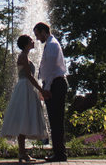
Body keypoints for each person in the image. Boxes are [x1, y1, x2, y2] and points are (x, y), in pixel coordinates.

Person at [1, 34, 48, 162]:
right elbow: (29, 75)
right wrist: (41, 90)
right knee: (23, 117)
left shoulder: (25, 56)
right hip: (24, 87)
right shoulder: (23, 56)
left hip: (26, 88)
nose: (33, 41)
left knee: (25, 118)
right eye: (31, 40)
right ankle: (22, 153)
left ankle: (22, 153)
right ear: (26, 43)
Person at [33, 22, 68, 162]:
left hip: (56, 84)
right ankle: (59, 152)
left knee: (56, 120)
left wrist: (46, 89)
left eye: (37, 34)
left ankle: (60, 153)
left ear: (44, 32)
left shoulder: (52, 45)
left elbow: (53, 70)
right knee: (55, 120)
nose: (37, 38)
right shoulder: (50, 44)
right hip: (53, 84)